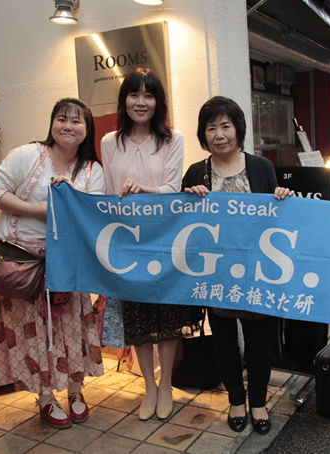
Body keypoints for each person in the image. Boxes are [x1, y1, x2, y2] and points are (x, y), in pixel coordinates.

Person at [0, 98, 105, 429]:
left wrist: (70, 198)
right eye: (61, 118)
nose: (68, 126)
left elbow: (92, 216)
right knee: (32, 336)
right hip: (22, 266)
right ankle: (45, 397)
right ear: (51, 123)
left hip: (67, 269)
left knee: (73, 333)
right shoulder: (27, 155)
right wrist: (42, 212)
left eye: (77, 121)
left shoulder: (92, 171)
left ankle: (76, 392)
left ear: (87, 130)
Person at [182, 96, 293, 435]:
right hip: (216, 272)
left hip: (257, 272)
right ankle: (235, 400)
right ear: (203, 134)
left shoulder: (260, 167)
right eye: (211, 128)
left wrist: (284, 197)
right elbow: (182, 222)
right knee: (225, 341)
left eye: (225, 126)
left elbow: (276, 217)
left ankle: (258, 401)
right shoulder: (196, 172)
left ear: (238, 129)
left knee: (259, 342)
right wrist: (188, 196)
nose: (219, 135)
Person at [100, 67, 201, 421]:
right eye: (134, 94)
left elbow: (173, 188)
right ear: (124, 100)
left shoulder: (173, 139)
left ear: (158, 101)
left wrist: (144, 190)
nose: (140, 102)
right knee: (138, 318)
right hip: (127, 243)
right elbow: (106, 192)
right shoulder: (109, 142)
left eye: (148, 95)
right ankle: (149, 387)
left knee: (167, 317)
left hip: (165, 239)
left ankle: (166, 384)